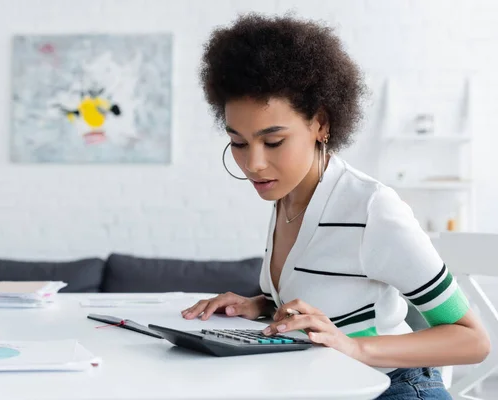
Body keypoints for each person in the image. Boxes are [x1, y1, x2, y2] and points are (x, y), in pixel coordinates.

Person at [181, 13, 490, 399]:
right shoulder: (286, 196)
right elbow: (332, 298)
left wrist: (354, 346)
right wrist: (258, 306)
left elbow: (472, 340)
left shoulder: (371, 209)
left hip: (392, 388)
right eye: (239, 143)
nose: (253, 163)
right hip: (330, 385)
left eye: (273, 141)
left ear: (321, 124)